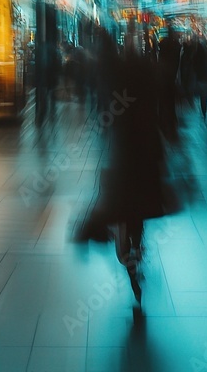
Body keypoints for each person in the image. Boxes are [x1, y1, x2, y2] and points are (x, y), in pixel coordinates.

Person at [74, 36, 178, 307]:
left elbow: (106, 113)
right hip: (148, 154)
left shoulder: (117, 78)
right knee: (139, 209)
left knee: (123, 207)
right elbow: (167, 111)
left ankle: (127, 256)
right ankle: (136, 248)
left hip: (123, 154)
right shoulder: (151, 75)